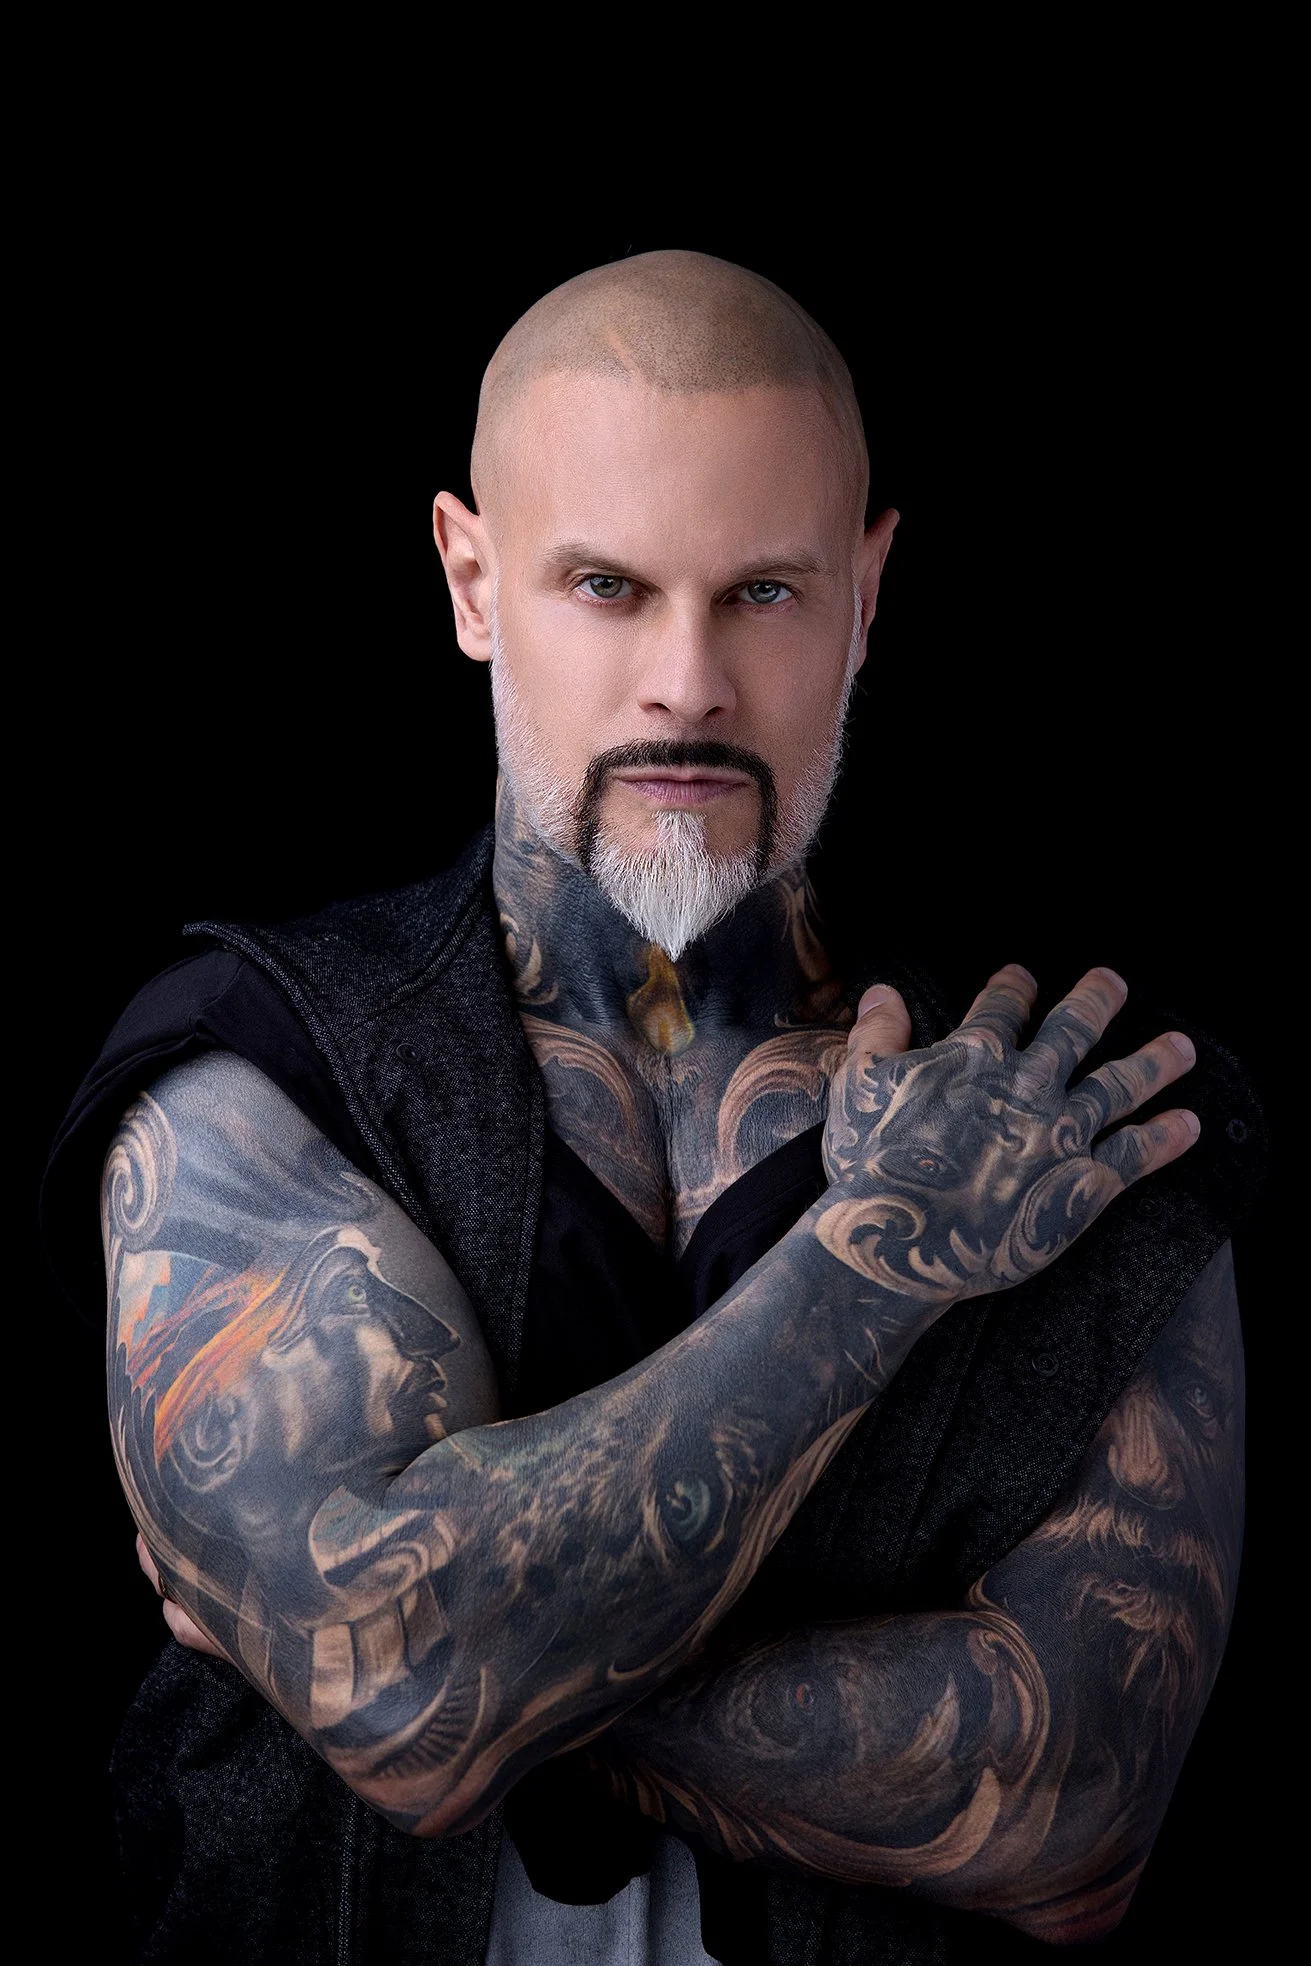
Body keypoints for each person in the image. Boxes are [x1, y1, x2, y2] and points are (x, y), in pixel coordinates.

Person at [43, 250, 1261, 1965]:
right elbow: (398, 1682)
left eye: (760, 592)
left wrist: (443, 1669)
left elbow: (1079, 1801)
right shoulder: (257, 1070)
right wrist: (879, 1259)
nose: (686, 679)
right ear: (473, 580)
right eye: (607, 586)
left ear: (863, 594)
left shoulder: (1064, 1114)